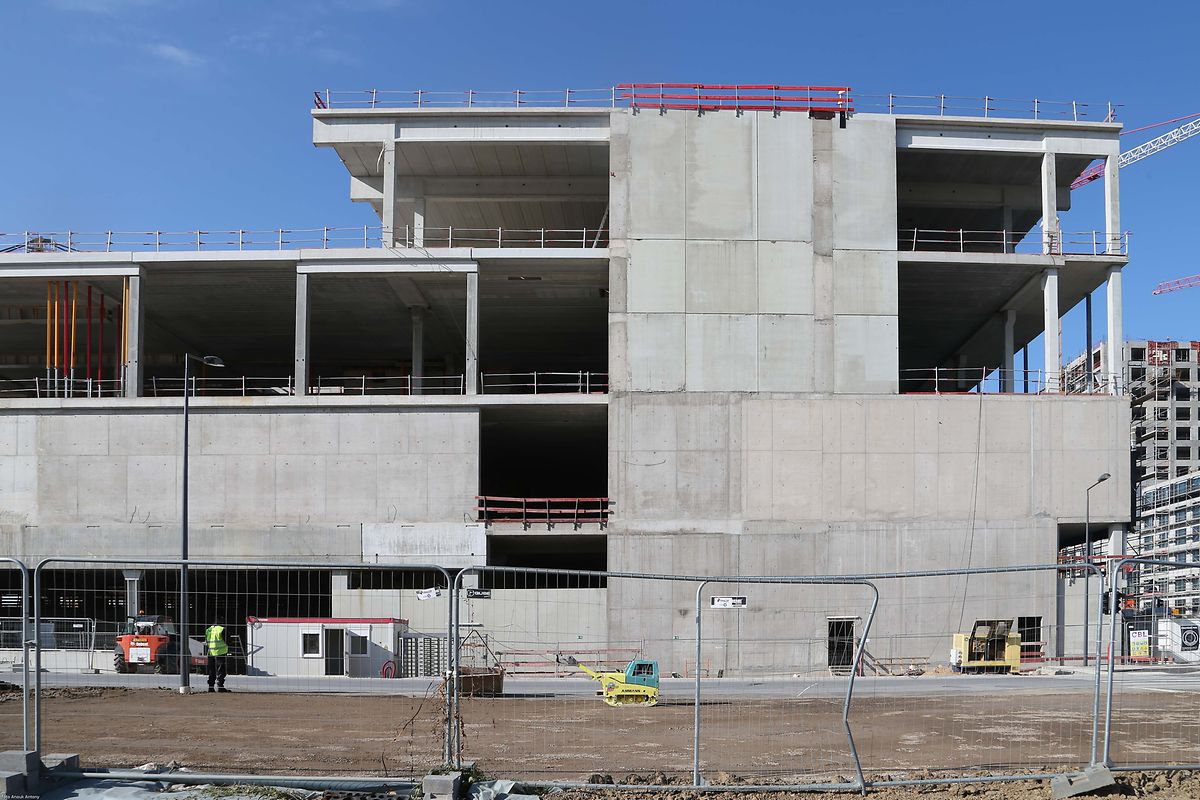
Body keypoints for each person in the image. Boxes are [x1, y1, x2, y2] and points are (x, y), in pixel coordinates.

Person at [205, 622, 230, 693]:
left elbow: (207, 641)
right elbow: (228, 641)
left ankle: (210, 687)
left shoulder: (208, 629)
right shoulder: (221, 629)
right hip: (221, 652)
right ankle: (220, 686)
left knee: (211, 670)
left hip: (211, 652)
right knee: (221, 670)